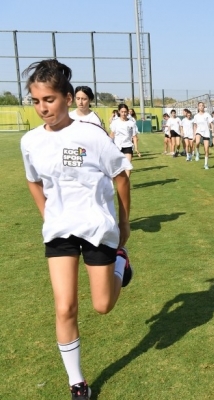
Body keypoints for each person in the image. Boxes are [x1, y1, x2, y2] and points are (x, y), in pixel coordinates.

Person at [19, 59, 133, 400]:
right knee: (64, 307)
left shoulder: (91, 135)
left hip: (97, 227)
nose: (42, 108)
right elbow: (33, 180)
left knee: (102, 305)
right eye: (36, 101)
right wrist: (47, 215)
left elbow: (120, 176)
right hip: (59, 232)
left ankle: (120, 262)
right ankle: (77, 382)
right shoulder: (30, 141)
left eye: (49, 99)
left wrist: (124, 223)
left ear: (68, 98)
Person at [110, 104, 139, 176]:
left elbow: (134, 136)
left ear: (128, 112)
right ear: (119, 112)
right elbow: (112, 134)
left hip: (128, 146)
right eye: (122, 112)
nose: (124, 113)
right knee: (118, 168)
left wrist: (136, 148)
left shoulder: (131, 123)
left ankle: (127, 181)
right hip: (117, 146)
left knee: (128, 165)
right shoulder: (115, 122)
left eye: (125, 112)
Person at [193, 102, 212, 169]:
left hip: (206, 132)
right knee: (197, 142)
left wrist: (213, 131)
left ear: (204, 107)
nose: (201, 107)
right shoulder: (196, 116)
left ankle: (206, 164)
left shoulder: (207, 115)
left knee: (206, 149)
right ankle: (197, 153)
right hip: (198, 131)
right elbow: (195, 126)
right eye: (200, 106)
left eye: (202, 105)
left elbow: (211, 122)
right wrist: (194, 135)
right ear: (198, 107)